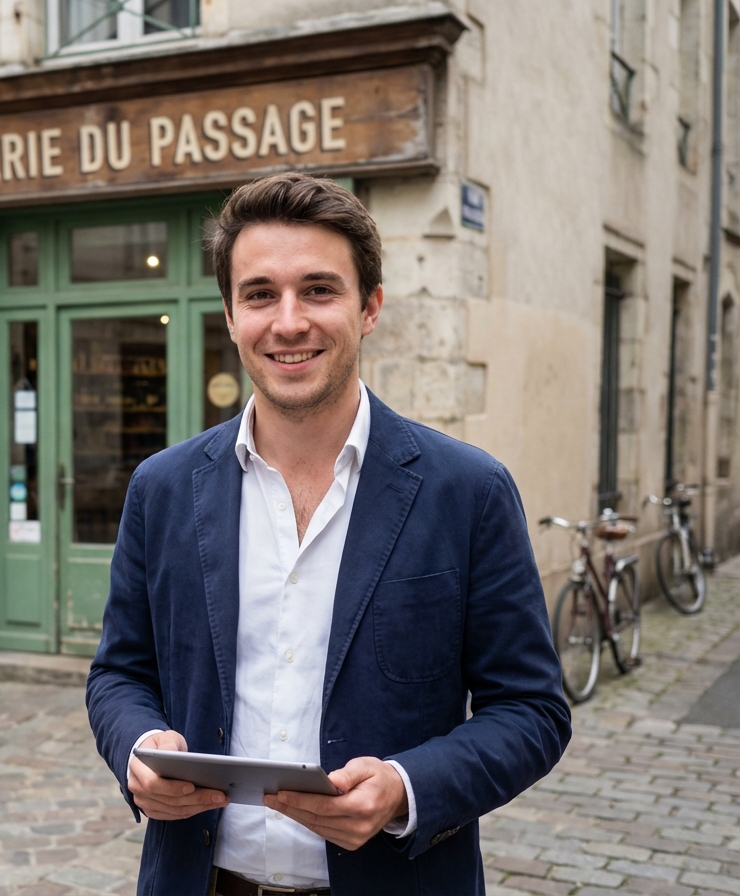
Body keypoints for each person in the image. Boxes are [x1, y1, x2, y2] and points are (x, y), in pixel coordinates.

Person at [85, 173, 571, 895]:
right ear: (228, 314)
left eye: (318, 290)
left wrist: (406, 787)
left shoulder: (467, 490)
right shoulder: (162, 488)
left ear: (369, 307)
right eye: (260, 294)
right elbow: (120, 674)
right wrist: (137, 747)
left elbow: (531, 710)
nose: (288, 322)